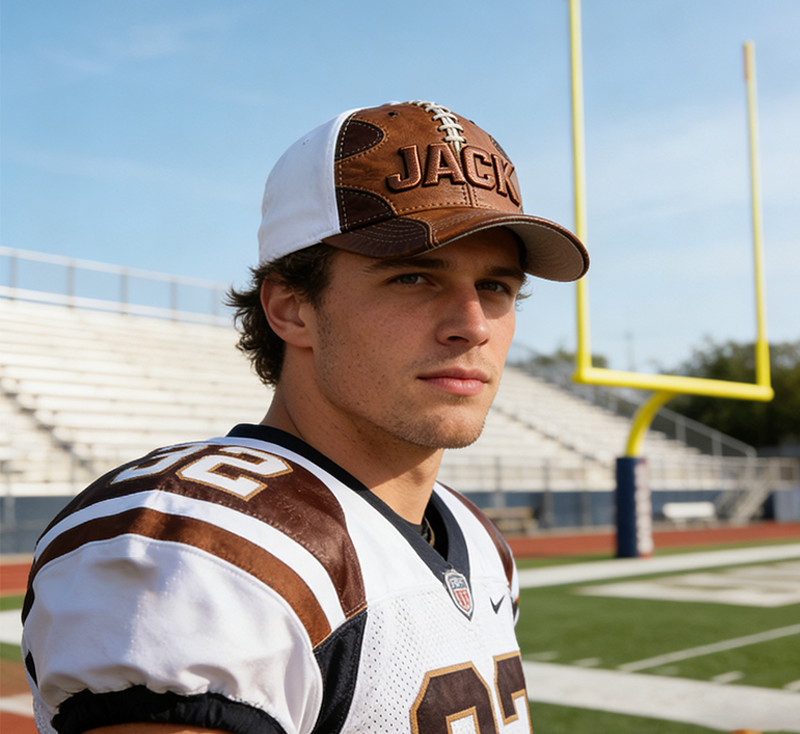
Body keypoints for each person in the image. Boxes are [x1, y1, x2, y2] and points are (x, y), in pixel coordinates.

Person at [21, 100, 589, 734]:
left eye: (497, 288)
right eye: (412, 278)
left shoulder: (473, 537)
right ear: (292, 308)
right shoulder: (200, 553)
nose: (474, 325)